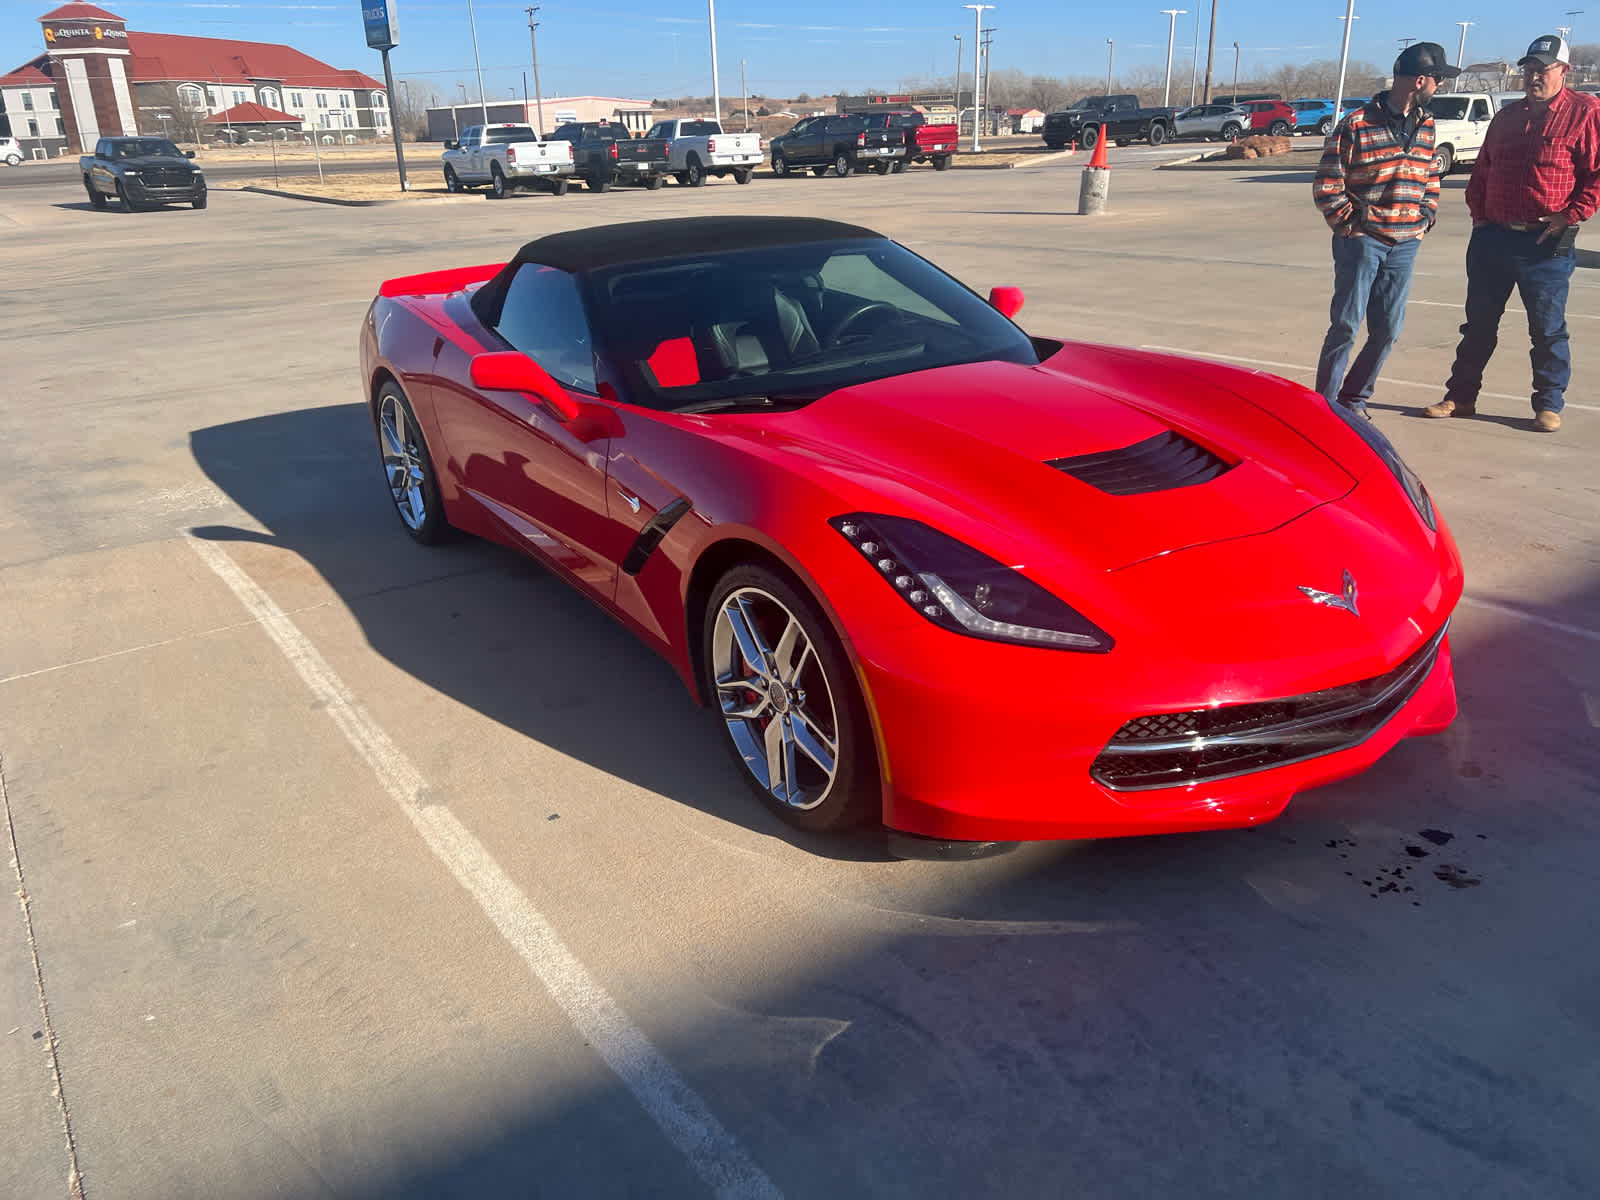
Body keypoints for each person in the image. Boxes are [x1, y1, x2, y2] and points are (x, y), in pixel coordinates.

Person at [1425, 34, 1600, 432]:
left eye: (1543, 69)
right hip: (1493, 239)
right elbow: (1482, 171)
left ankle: (1549, 403)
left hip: (1545, 245)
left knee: (1547, 328)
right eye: (1529, 69)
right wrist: (1480, 218)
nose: (1534, 76)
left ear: (1563, 71)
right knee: (1478, 325)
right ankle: (1461, 395)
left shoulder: (1586, 112)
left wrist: (1571, 214)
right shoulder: (1507, 117)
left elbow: (1596, 174)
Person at [1312, 42, 1457, 418]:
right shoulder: (1356, 124)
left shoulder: (1426, 124)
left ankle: (1354, 399)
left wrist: (1425, 219)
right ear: (1421, 80)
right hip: (1363, 243)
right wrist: (1350, 228)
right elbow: (1327, 184)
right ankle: (1325, 408)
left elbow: (1431, 178)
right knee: (1345, 325)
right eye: (1438, 80)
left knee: (1388, 330)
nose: (1440, 87)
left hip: (1405, 243)